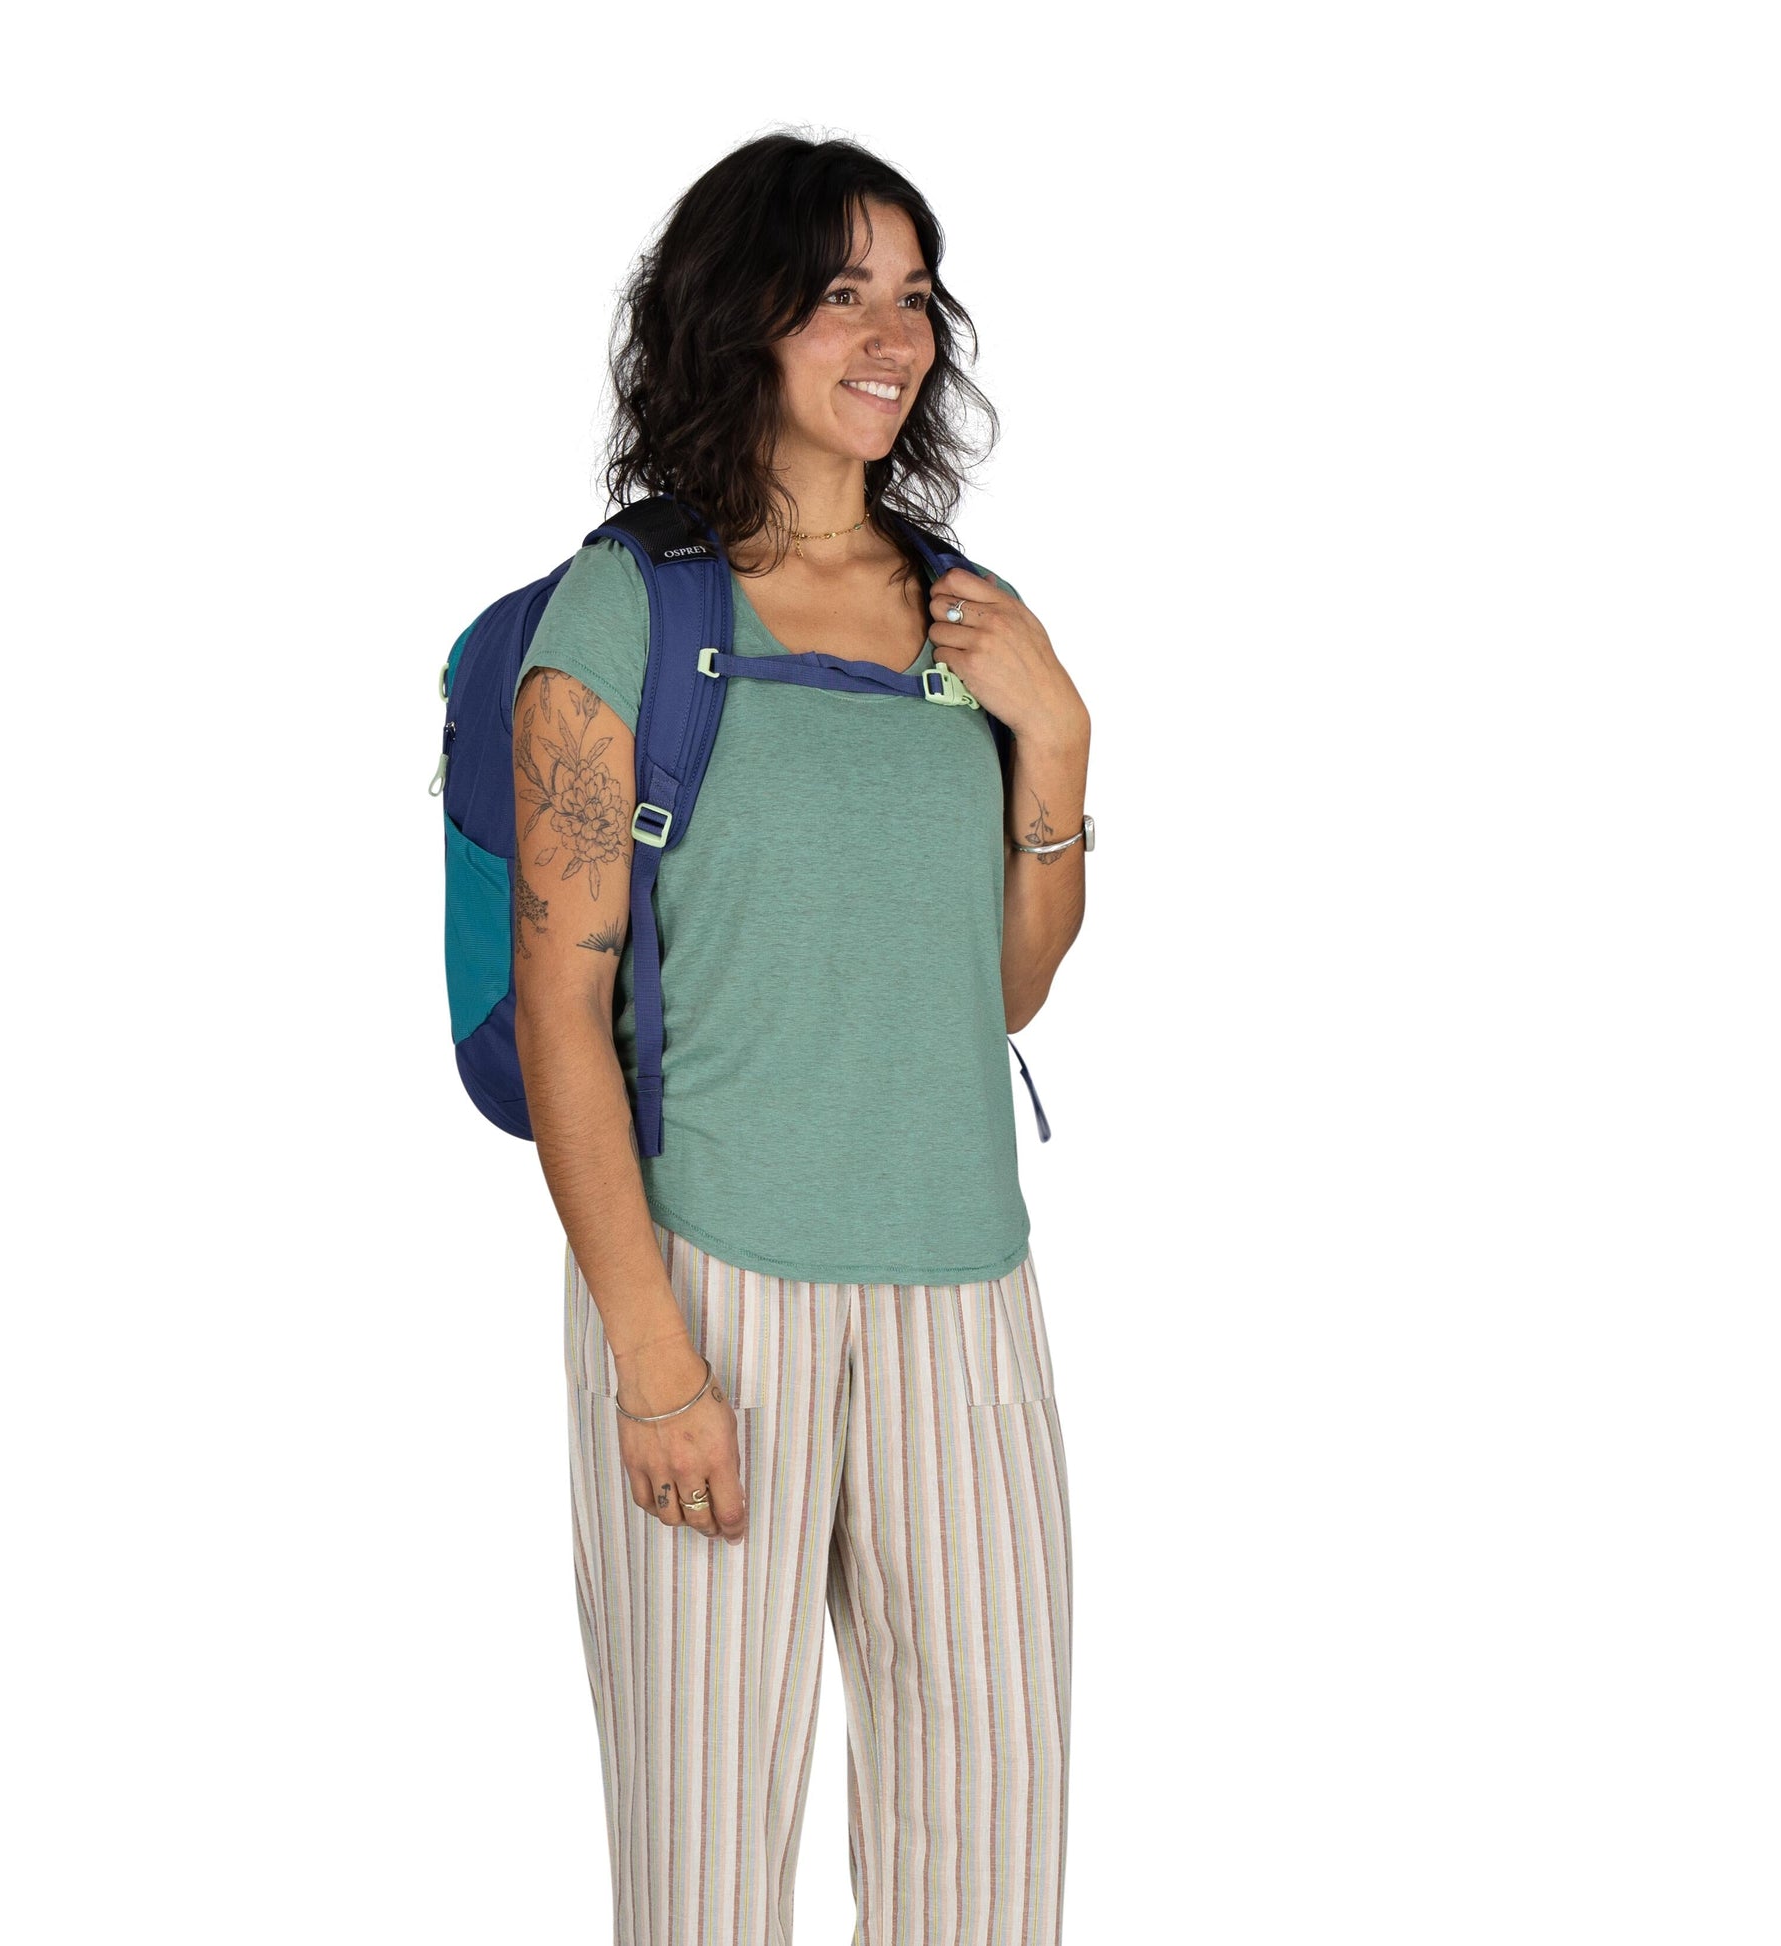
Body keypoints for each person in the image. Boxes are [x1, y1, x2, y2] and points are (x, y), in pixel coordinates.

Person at [509, 131, 1092, 1946]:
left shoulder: (965, 614)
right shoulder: (627, 608)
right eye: (840, 293)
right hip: (713, 1283)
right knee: (704, 1876)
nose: (891, 334)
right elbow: (562, 1008)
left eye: (911, 295)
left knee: (985, 1871)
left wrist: (1058, 743)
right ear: (737, 317)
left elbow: (995, 989)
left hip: (966, 1294)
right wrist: (650, 1359)